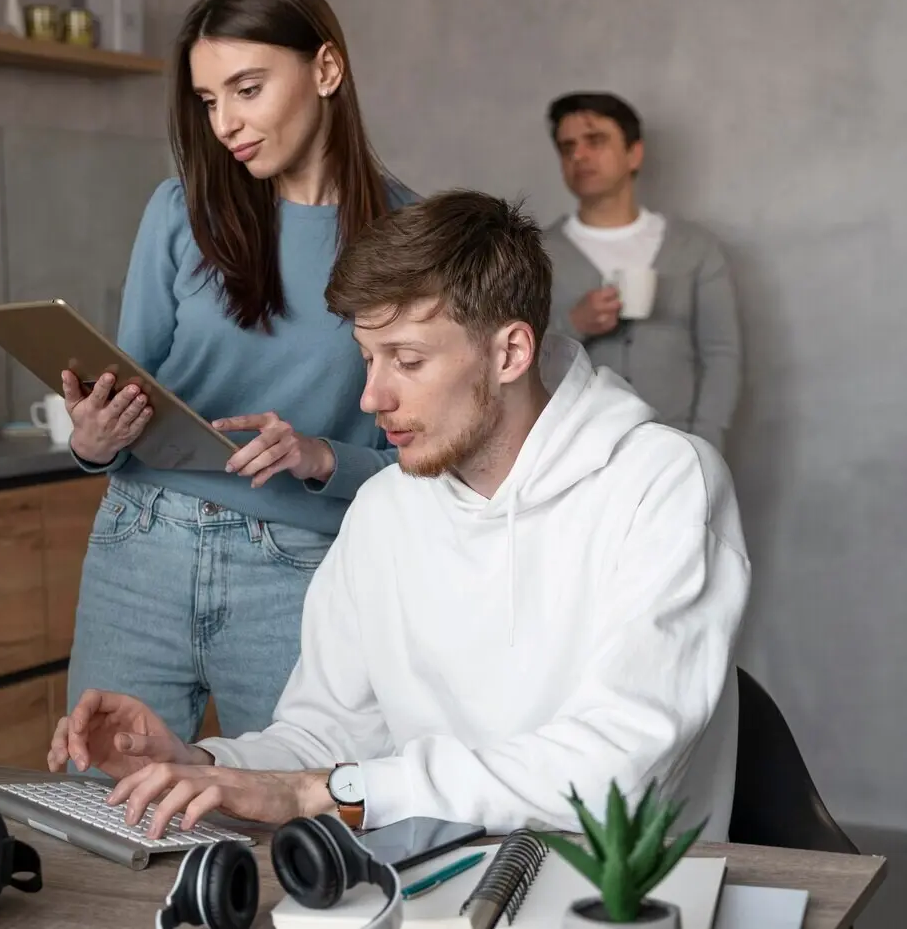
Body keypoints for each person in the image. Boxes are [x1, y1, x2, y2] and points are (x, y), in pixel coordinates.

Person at [48, 189, 750, 842]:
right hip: (426, 879)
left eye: (406, 360)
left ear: (509, 352)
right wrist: (202, 763)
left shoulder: (661, 484)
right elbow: (325, 738)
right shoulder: (385, 507)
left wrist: (333, 790)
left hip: (617, 893)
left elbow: (614, 773)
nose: (371, 398)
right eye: (367, 359)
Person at [60, 0, 417, 746]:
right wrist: (93, 439)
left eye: (247, 89)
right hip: (139, 545)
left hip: (299, 569)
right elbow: (126, 392)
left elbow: (427, 460)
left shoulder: (412, 239)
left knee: (307, 802)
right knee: (102, 795)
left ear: (327, 69)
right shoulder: (179, 212)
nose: (225, 123)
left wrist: (322, 456)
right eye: (208, 100)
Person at [541, 91, 742, 453]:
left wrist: (703, 444)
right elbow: (514, 359)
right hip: (574, 455)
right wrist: (573, 324)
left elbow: (721, 355)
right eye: (567, 146)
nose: (578, 155)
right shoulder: (537, 254)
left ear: (634, 153)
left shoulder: (695, 248)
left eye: (595, 141)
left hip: (676, 450)